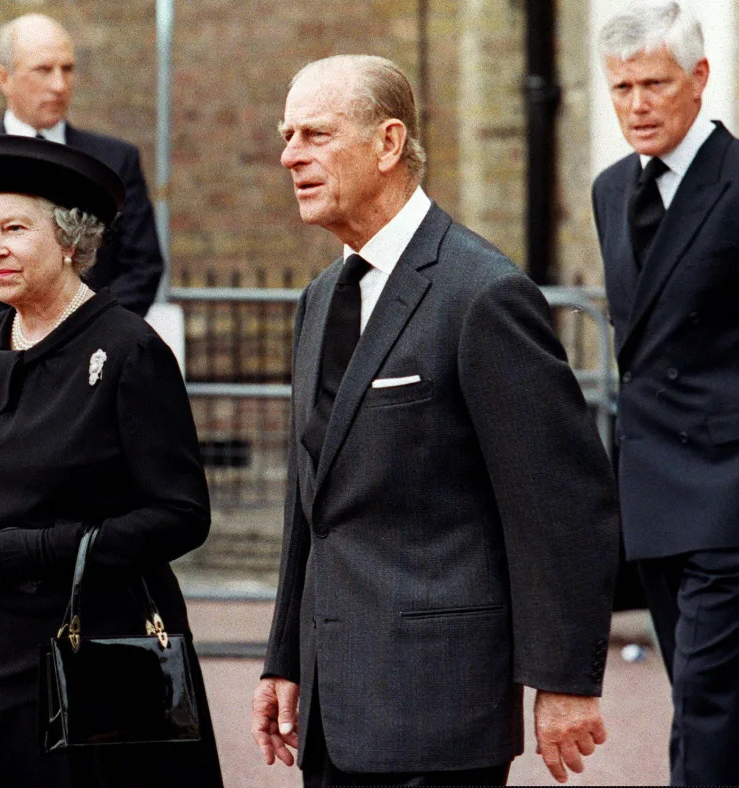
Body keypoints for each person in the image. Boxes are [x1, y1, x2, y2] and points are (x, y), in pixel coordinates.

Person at [251, 54, 620, 787]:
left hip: (440, 703)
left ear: (389, 144)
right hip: (332, 706)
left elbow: (560, 504)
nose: (291, 155)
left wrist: (564, 680)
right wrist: (284, 657)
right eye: (287, 135)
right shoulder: (320, 300)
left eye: (317, 134)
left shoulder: (482, 295)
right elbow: (311, 507)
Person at [0, 134, 222, 787]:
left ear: (68, 238)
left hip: (105, 649)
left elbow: (181, 514)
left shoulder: (127, 349)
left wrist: (39, 551)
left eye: (13, 228)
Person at [0, 12, 164, 651]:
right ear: (4, 78)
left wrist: (78, 333)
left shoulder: (113, 159)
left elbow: (141, 264)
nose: (58, 83)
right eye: (42, 69)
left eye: (68, 68)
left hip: (86, 379)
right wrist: (9, 343)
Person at [593, 3, 739, 784]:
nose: (637, 104)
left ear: (699, 79)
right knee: (711, 699)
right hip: (655, 491)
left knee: (704, 700)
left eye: (654, 83)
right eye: (621, 87)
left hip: (738, 489)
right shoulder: (608, 190)